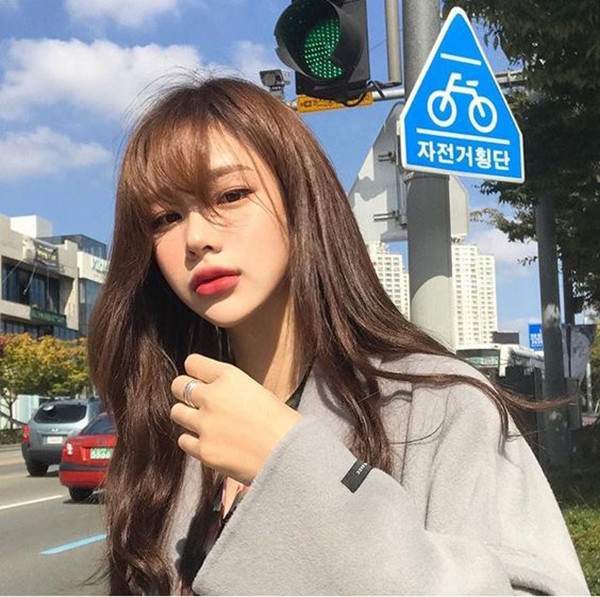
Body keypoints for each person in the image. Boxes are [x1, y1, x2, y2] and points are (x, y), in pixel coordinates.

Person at [85, 75, 589, 596]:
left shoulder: (439, 403)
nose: (196, 237)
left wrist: (292, 467)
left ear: (300, 199)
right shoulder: (167, 428)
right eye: (165, 218)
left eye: (231, 195)